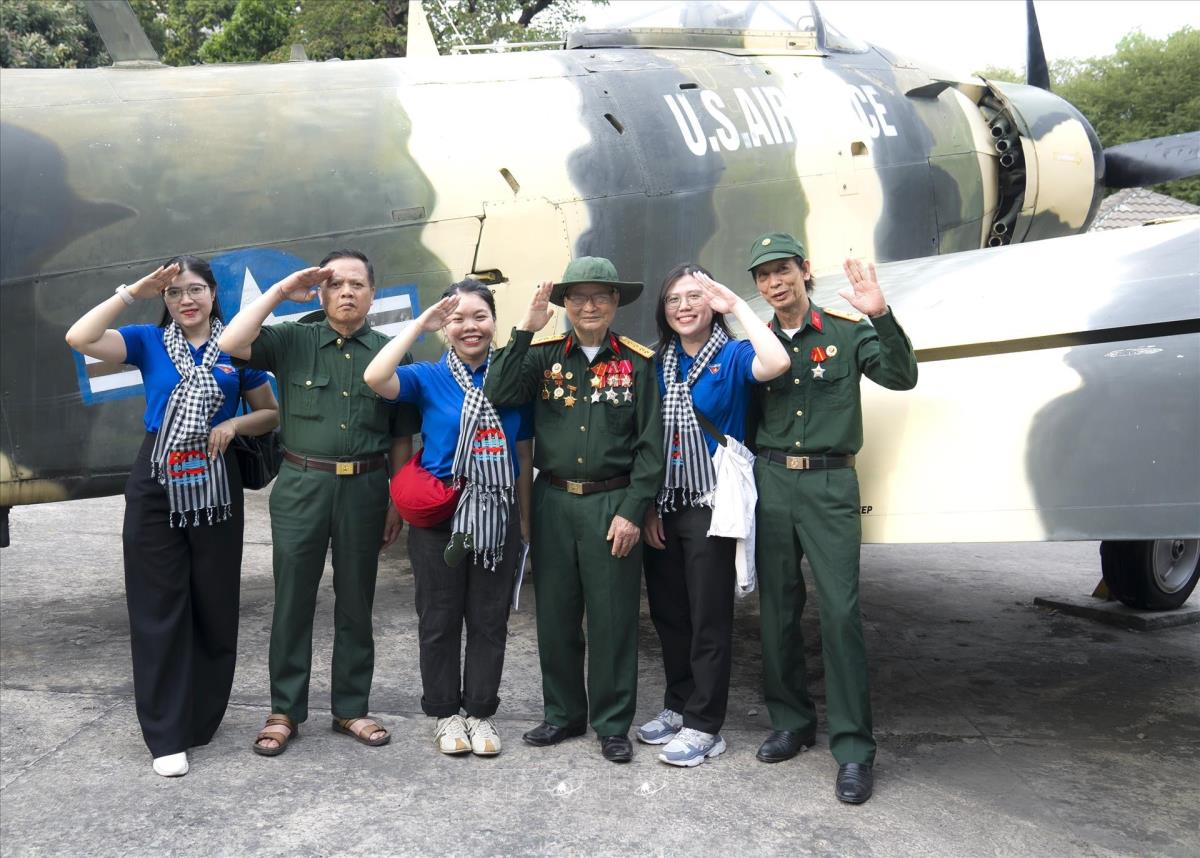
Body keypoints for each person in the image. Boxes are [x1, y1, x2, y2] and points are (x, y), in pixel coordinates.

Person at [64, 256, 280, 777]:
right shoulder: (148, 341)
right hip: (158, 479)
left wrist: (233, 425)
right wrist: (132, 291)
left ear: (213, 293)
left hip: (216, 481)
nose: (186, 300)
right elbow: (79, 337)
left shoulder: (237, 348)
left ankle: (200, 718)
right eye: (174, 292)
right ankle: (165, 734)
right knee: (157, 604)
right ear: (164, 299)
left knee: (213, 602)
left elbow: (270, 412)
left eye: (196, 289)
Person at [219, 249, 419, 756]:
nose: (346, 292)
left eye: (357, 284)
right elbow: (232, 341)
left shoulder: (391, 352)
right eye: (335, 284)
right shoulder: (292, 339)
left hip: (366, 489)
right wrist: (281, 292)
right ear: (322, 292)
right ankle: (285, 710)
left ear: (373, 293)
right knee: (293, 600)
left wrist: (396, 501)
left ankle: (351, 707)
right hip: (302, 485)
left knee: (357, 600)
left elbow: (401, 437)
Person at [747, 232, 918, 804]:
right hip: (772, 480)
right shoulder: (757, 343)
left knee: (841, 614)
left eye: (782, 270)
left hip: (830, 484)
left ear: (804, 270)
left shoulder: (847, 332)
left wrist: (881, 315)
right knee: (777, 609)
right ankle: (791, 722)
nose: (774, 283)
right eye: (763, 275)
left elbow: (901, 376)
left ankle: (853, 750)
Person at [484, 258, 664, 763]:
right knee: (556, 615)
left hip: (612, 502)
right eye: (578, 297)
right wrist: (524, 329)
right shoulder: (541, 357)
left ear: (615, 302)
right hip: (555, 500)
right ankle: (562, 714)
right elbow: (499, 393)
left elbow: (652, 445)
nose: (589, 306)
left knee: (612, 618)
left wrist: (633, 510)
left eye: (600, 296)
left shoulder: (638, 363)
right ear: (564, 304)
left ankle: (612, 723)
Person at [363, 279, 533, 757]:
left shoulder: (513, 379)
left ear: (495, 321)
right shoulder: (427, 377)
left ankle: (479, 712)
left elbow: (523, 452)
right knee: (438, 618)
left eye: (480, 316)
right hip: (442, 517)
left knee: (489, 619)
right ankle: (445, 713)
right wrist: (421, 322)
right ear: (444, 327)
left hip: (496, 515)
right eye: (457, 319)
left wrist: (525, 519)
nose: (469, 327)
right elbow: (376, 376)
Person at [638, 263, 789, 767]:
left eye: (694, 296)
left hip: (712, 503)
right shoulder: (656, 363)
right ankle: (678, 704)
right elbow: (647, 440)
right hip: (666, 503)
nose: (683, 307)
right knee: (669, 614)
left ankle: (705, 725)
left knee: (708, 616)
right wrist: (648, 506)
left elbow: (777, 362)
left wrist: (737, 305)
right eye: (673, 299)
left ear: (711, 303)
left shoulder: (735, 353)